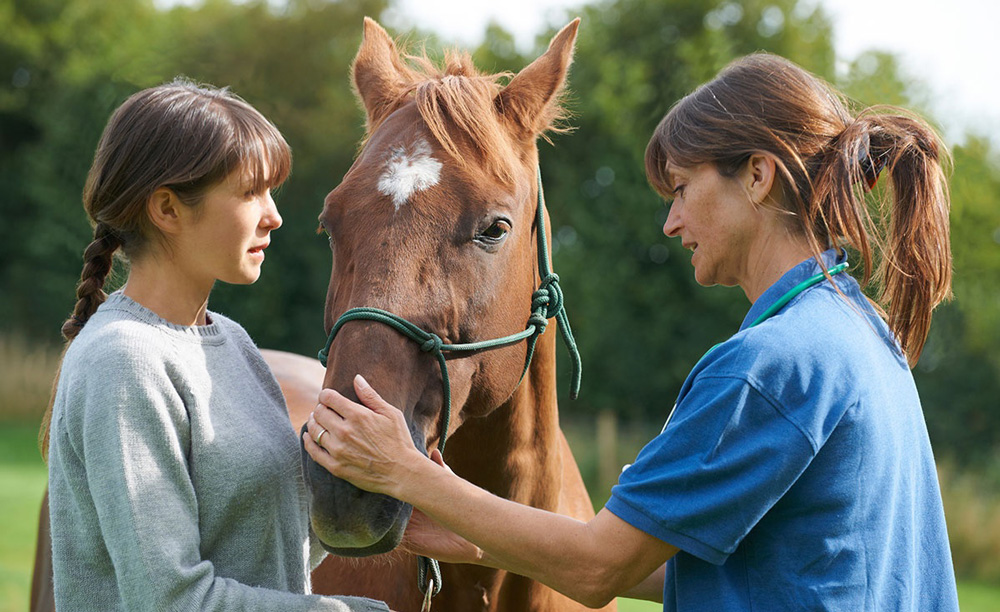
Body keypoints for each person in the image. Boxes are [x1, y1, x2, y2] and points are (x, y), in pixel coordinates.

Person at [302, 53, 960, 611]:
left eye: (680, 189)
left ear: (757, 176)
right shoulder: (861, 335)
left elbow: (599, 569)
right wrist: (475, 524)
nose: (671, 224)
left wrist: (407, 474)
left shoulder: (768, 367)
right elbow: (726, 568)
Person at [41, 79, 389, 612]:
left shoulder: (231, 341)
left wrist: (390, 515)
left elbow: (257, 551)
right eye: (251, 192)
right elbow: (169, 601)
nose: (273, 215)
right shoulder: (123, 361)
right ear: (168, 209)